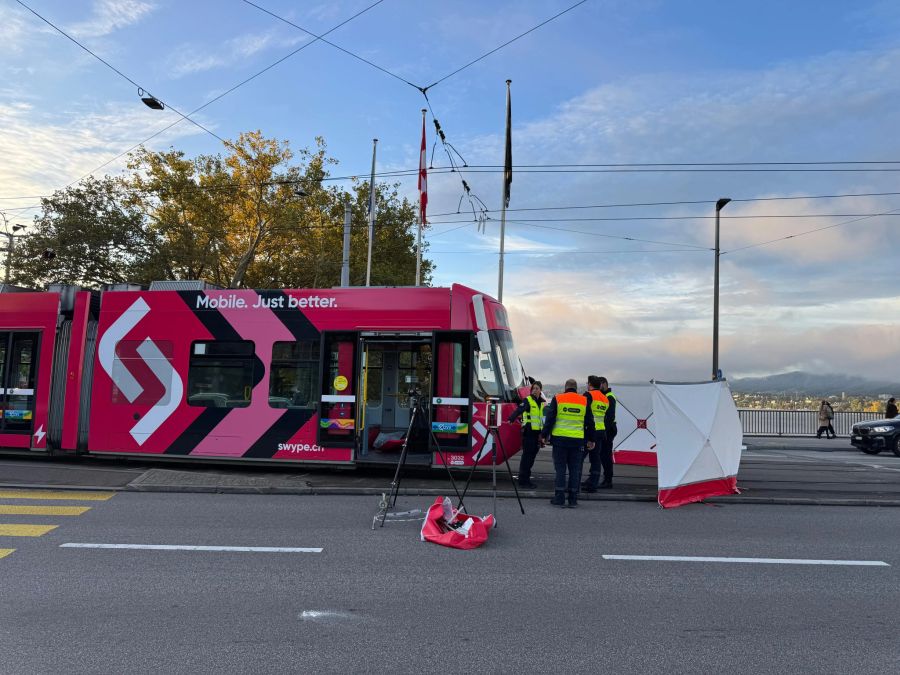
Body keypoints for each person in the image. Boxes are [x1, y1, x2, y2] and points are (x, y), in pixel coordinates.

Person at [540, 378, 594, 508]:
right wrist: (591, 439)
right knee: (575, 470)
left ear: (565, 388)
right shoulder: (584, 400)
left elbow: (550, 418)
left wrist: (544, 435)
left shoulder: (558, 398)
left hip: (560, 441)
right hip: (577, 441)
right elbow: (590, 422)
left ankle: (559, 497)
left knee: (560, 469)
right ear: (576, 388)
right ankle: (573, 498)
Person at [506, 380, 546, 489]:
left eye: (537, 388)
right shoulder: (528, 400)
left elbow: (541, 420)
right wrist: (511, 419)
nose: (534, 390)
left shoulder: (541, 403)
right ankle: (524, 481)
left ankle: (525, 479)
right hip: (528, 433)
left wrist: (543, 434)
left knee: (531, 457)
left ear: (540, 390)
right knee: (527, 458)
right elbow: (519, 410)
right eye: (533, 388)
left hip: (536, 434)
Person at [580, 375, 609, 493]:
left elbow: (584, 413)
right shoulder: (605, 398)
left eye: (587, 383)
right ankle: (593, 483)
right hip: (601, 431)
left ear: (590, 384)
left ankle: (574, 483)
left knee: (579, 457)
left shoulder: (588, 395)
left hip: (590, 431)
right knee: (596, 459)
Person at [597, 376, 617, 488]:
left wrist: (604, 430)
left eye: (599, 385)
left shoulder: (609, 397)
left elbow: (609, 416)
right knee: (604, 455)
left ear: (604, 384)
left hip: (608, 430)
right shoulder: (606, 396)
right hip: (608, 429)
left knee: (605, 455)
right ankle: (607, 478)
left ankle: (608, 480)